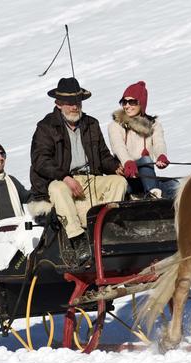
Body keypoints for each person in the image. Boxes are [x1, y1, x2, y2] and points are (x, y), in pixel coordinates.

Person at [30, 77, 127, 261]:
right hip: (60, 180)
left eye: (77, 101)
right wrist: (65, 177)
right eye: (69, 102)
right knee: (57, 189)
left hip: (90, 178)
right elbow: (40, 160)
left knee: (119, 182)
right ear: (58, 104)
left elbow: (104, 155)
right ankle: (78, 239)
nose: (74, 106)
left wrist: (116, 167)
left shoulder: (91, 124)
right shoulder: (46, 127)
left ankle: (104, 230)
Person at [108, 81, 178, 199]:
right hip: (127, 175)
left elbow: (158, 142)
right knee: (145, 159)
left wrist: (161, 155)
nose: (127, 106)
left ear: (141, 103)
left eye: (132, 102)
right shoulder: (116, 125)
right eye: (124, 102)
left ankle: (155, 197)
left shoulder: (154, 125)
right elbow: (118, 146)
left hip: (146, 176)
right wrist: (127, 162)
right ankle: (152, 194)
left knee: (174, 185)